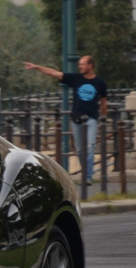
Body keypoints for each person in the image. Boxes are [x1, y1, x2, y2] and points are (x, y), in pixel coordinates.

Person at [23, 55, 107, 185]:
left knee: (90, 147)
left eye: (83, 64)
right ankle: (86, 172)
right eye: (79, 64)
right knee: (79, 149)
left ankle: (87, 176)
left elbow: (103, 102)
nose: (80, 66)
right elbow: (55, 73)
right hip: (76, 118)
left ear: (90, 65)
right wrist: (37, 67)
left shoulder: (100, 83)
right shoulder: (76, 79)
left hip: (91, 119)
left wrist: (103, 118)